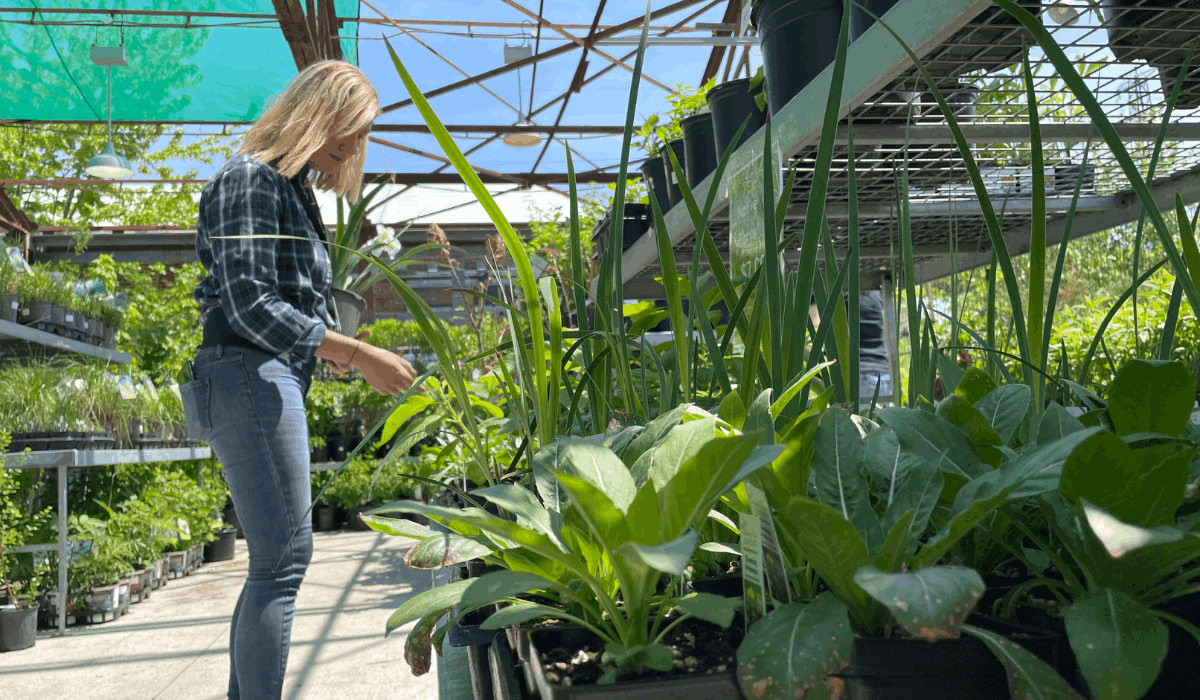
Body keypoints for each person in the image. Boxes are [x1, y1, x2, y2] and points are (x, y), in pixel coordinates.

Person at [178, 60, 417, 700]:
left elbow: (282, 300)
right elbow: (249, 300)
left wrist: (338, 349)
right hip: (247, 371)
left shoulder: (290, 188)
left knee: (277, 563)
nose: (352, 146)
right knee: (282, 562)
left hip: (262, 373)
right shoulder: (248, 179)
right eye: (349, 129)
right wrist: (358, 353)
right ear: (319, 111)